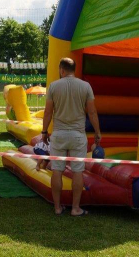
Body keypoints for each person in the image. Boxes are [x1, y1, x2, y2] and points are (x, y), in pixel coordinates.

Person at [42, 58, 100, 216]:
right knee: (77, 172)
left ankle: (57, 207)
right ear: (74, 69)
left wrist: (43, 131)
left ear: (61, 69)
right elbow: (92, 112)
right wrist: (97, 132)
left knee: (57, 171)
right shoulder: (85, 86)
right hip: (78, 135)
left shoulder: (54, 86)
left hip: (59, 134)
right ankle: (75, 208)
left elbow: (48, 112)